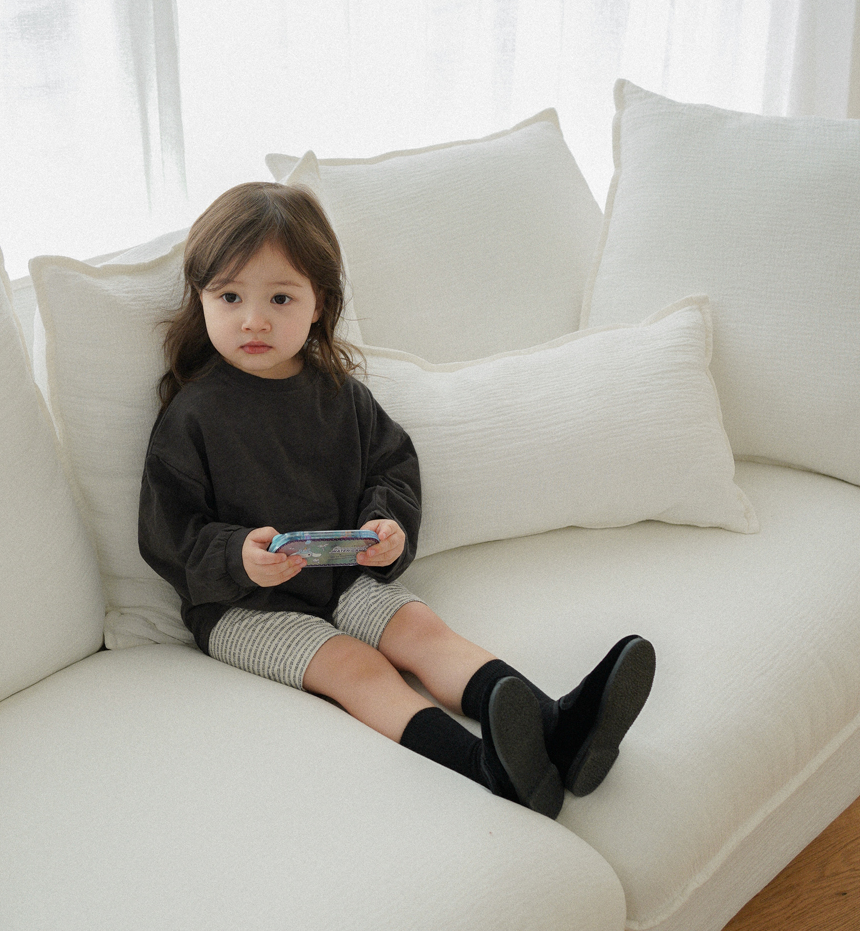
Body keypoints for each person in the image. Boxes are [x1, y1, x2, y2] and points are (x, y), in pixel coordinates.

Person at [138, 181, 655, 819]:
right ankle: (487, 767)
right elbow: (166, 531)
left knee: (422, 631)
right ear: (202, 300)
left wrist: (386, 527)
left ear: (319, 304)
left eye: (280, 297)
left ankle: (561, 728)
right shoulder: (191, 415)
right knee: (356, 667)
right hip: (243, 607)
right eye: (230, 297)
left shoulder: (341, 396)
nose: (254, 319)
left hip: (341, 572)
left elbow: (392, 469)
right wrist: (236, 555)